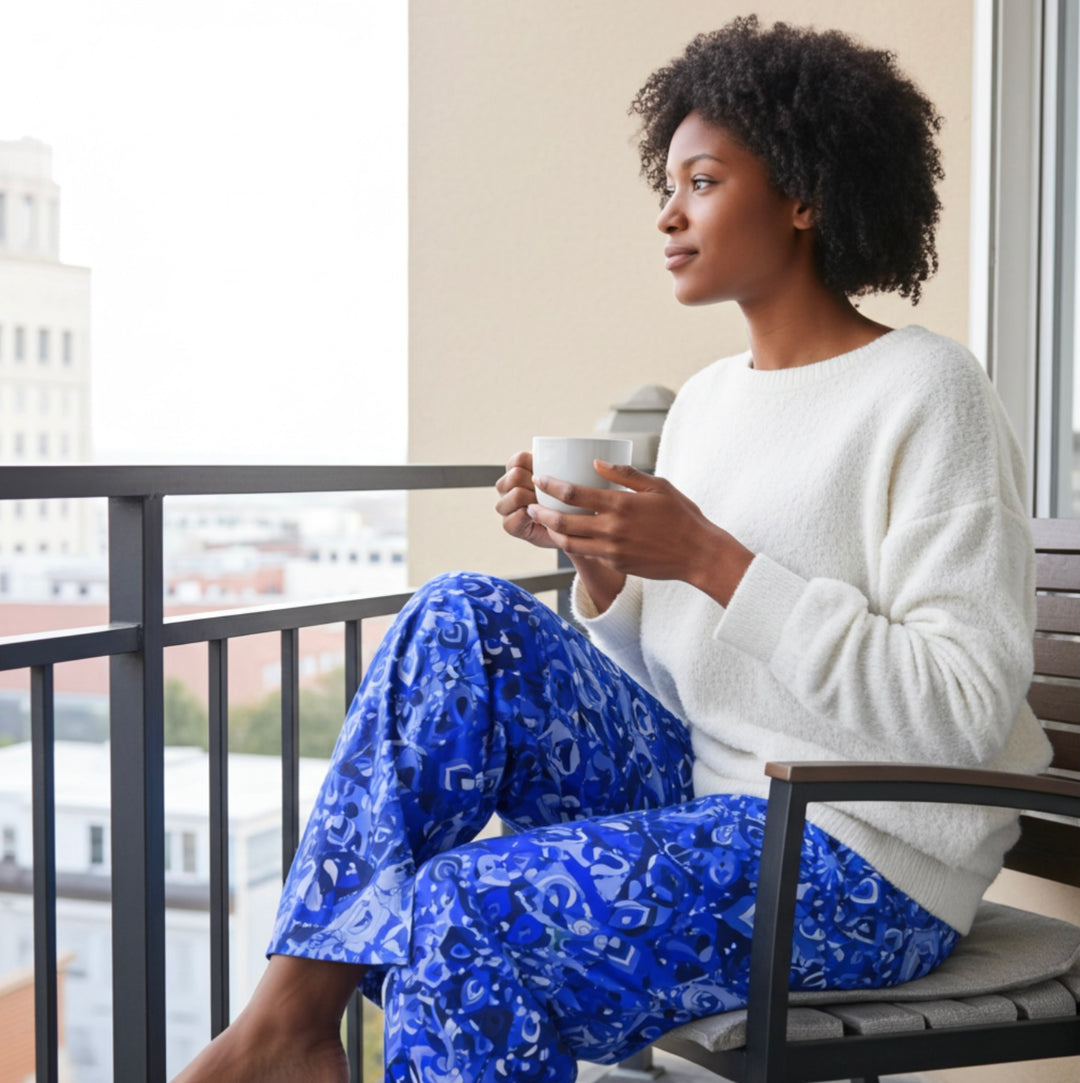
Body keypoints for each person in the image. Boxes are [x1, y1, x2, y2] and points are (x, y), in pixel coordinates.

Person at [174, 15, 1051, 1083]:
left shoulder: (929, 391)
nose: (668, 215)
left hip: (861, 857)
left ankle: (283, 1042)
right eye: (668, 184)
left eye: (704, 182)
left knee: (468, 906)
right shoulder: (712, 404)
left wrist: (712, 559)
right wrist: (602, 570)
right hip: (708, 793)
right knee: (462, 615)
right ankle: (293, 1025)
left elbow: (961, 704)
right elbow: (689, 680)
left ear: (805, 196)